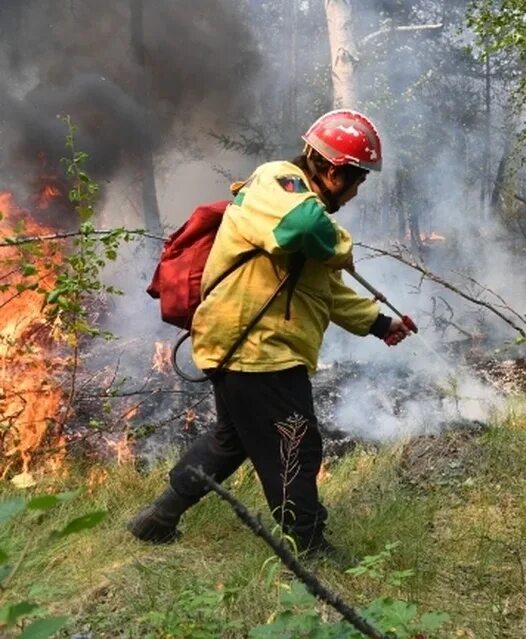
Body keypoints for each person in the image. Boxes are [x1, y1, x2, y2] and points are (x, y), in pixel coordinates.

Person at [128, 109, 411, 560]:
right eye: (358, 180)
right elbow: (304, 229)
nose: (358, 192)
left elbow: (327, 293)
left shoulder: (305, 213)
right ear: (335, 171)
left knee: (232, 439)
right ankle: (309, 546)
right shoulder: (279, 182)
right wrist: (343, 249)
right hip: (258, 349)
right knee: (296, 440)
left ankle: (160, 516)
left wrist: (381, 324)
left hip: (246, 346)